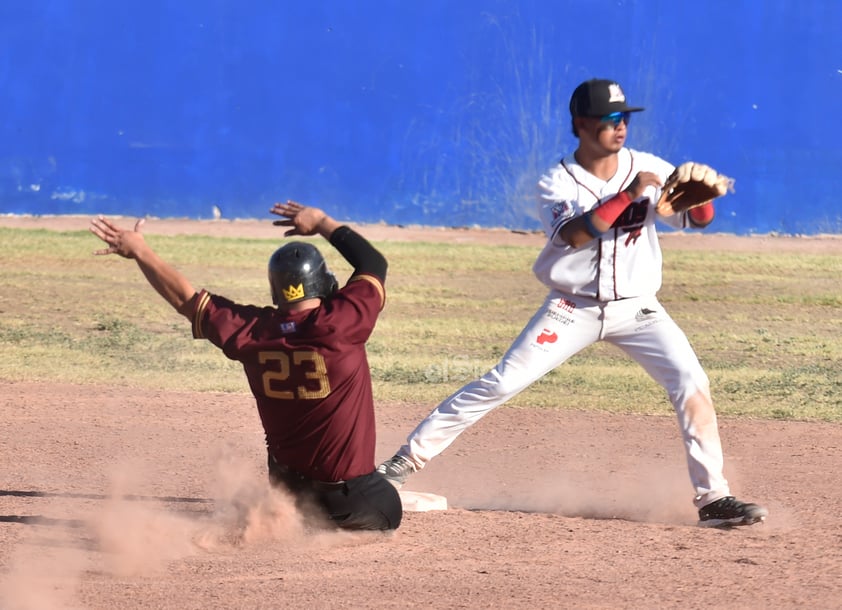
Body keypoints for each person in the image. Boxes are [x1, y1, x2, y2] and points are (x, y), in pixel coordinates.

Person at [377, 78, 768, 528]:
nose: (620, 128)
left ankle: (714, 498)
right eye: (609, 120)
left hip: (639, 308)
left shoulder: (651, 165)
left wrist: (703, 203)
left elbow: (692, 218)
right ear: (581, 125)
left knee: (692, 382)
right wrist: (631, 193)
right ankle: (402, 464)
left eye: (625, 118)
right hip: (571, 308)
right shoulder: (556, 181)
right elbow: (576, 234)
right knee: (502, 382)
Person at [90, 201, 402, 531]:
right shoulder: (341, 321)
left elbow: (186, 299)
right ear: (322, 283)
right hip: (348, 501)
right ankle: (331, 533)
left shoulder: (253, 331)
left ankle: (285, 518)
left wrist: (141, 251)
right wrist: (323, 221)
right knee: (388, 506)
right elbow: (372, 262)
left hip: (290, 495)